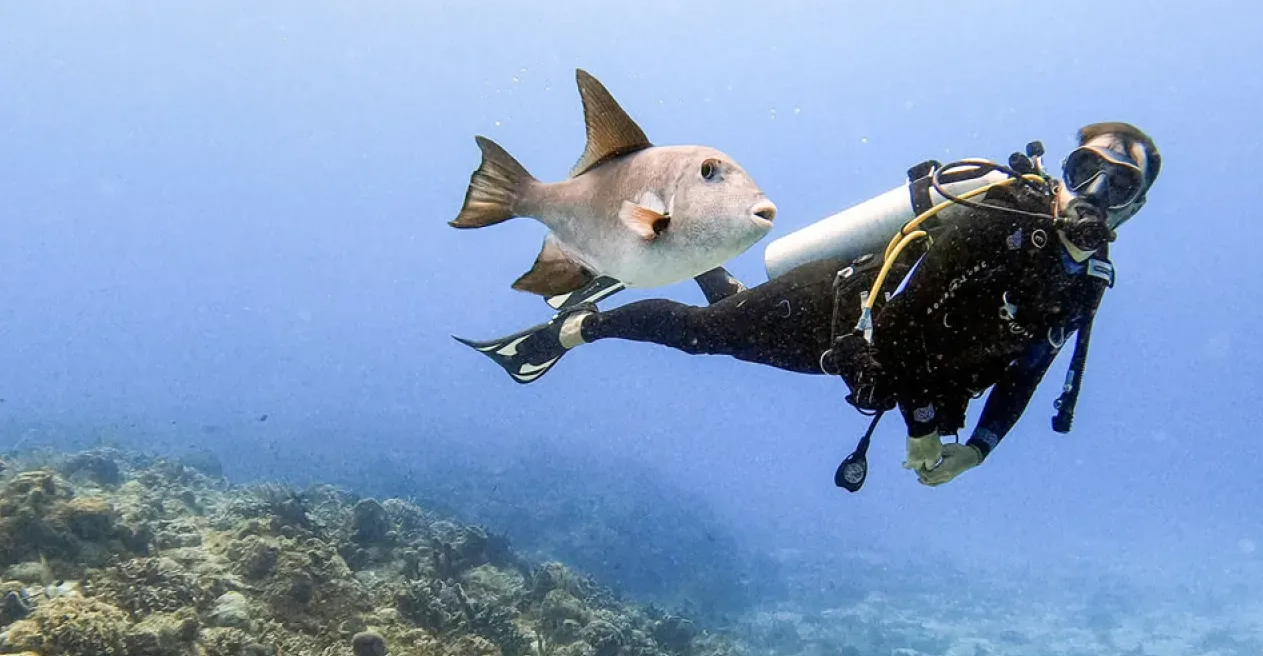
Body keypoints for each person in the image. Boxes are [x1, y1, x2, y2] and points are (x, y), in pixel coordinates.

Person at [459, 122, 1161, 487]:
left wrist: (980, 447)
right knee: (705, 336)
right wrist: (922, 428)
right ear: (1062, 175)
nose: (1093, 195)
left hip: (856, 364)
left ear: (1136, 208)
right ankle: (578, 329)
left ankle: (701, 259)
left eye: (1118, 186)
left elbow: (1031, 366)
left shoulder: (1084, 282)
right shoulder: (996, 219)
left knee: (732, 316)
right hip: (826, 309)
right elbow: (906, 327)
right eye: (1084, 171)